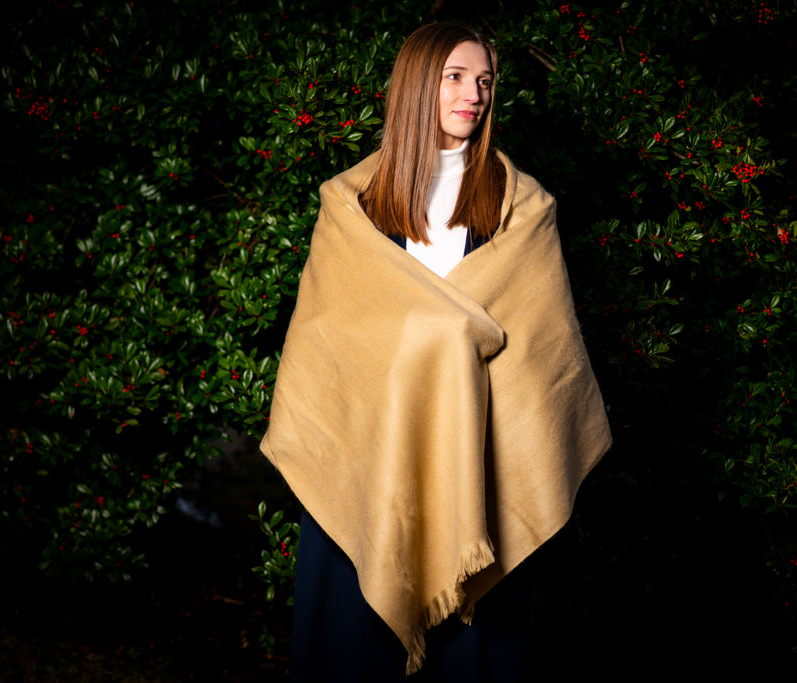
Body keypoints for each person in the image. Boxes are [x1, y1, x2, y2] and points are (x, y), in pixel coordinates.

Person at [260, 21, 611, 682]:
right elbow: (327, 355)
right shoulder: (351, 209)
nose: (473, 94)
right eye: (455, 77)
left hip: (478, 486)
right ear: (418, 85)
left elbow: (544, 365)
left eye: (484, 81)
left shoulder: (523, 209)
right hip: (366, 479)